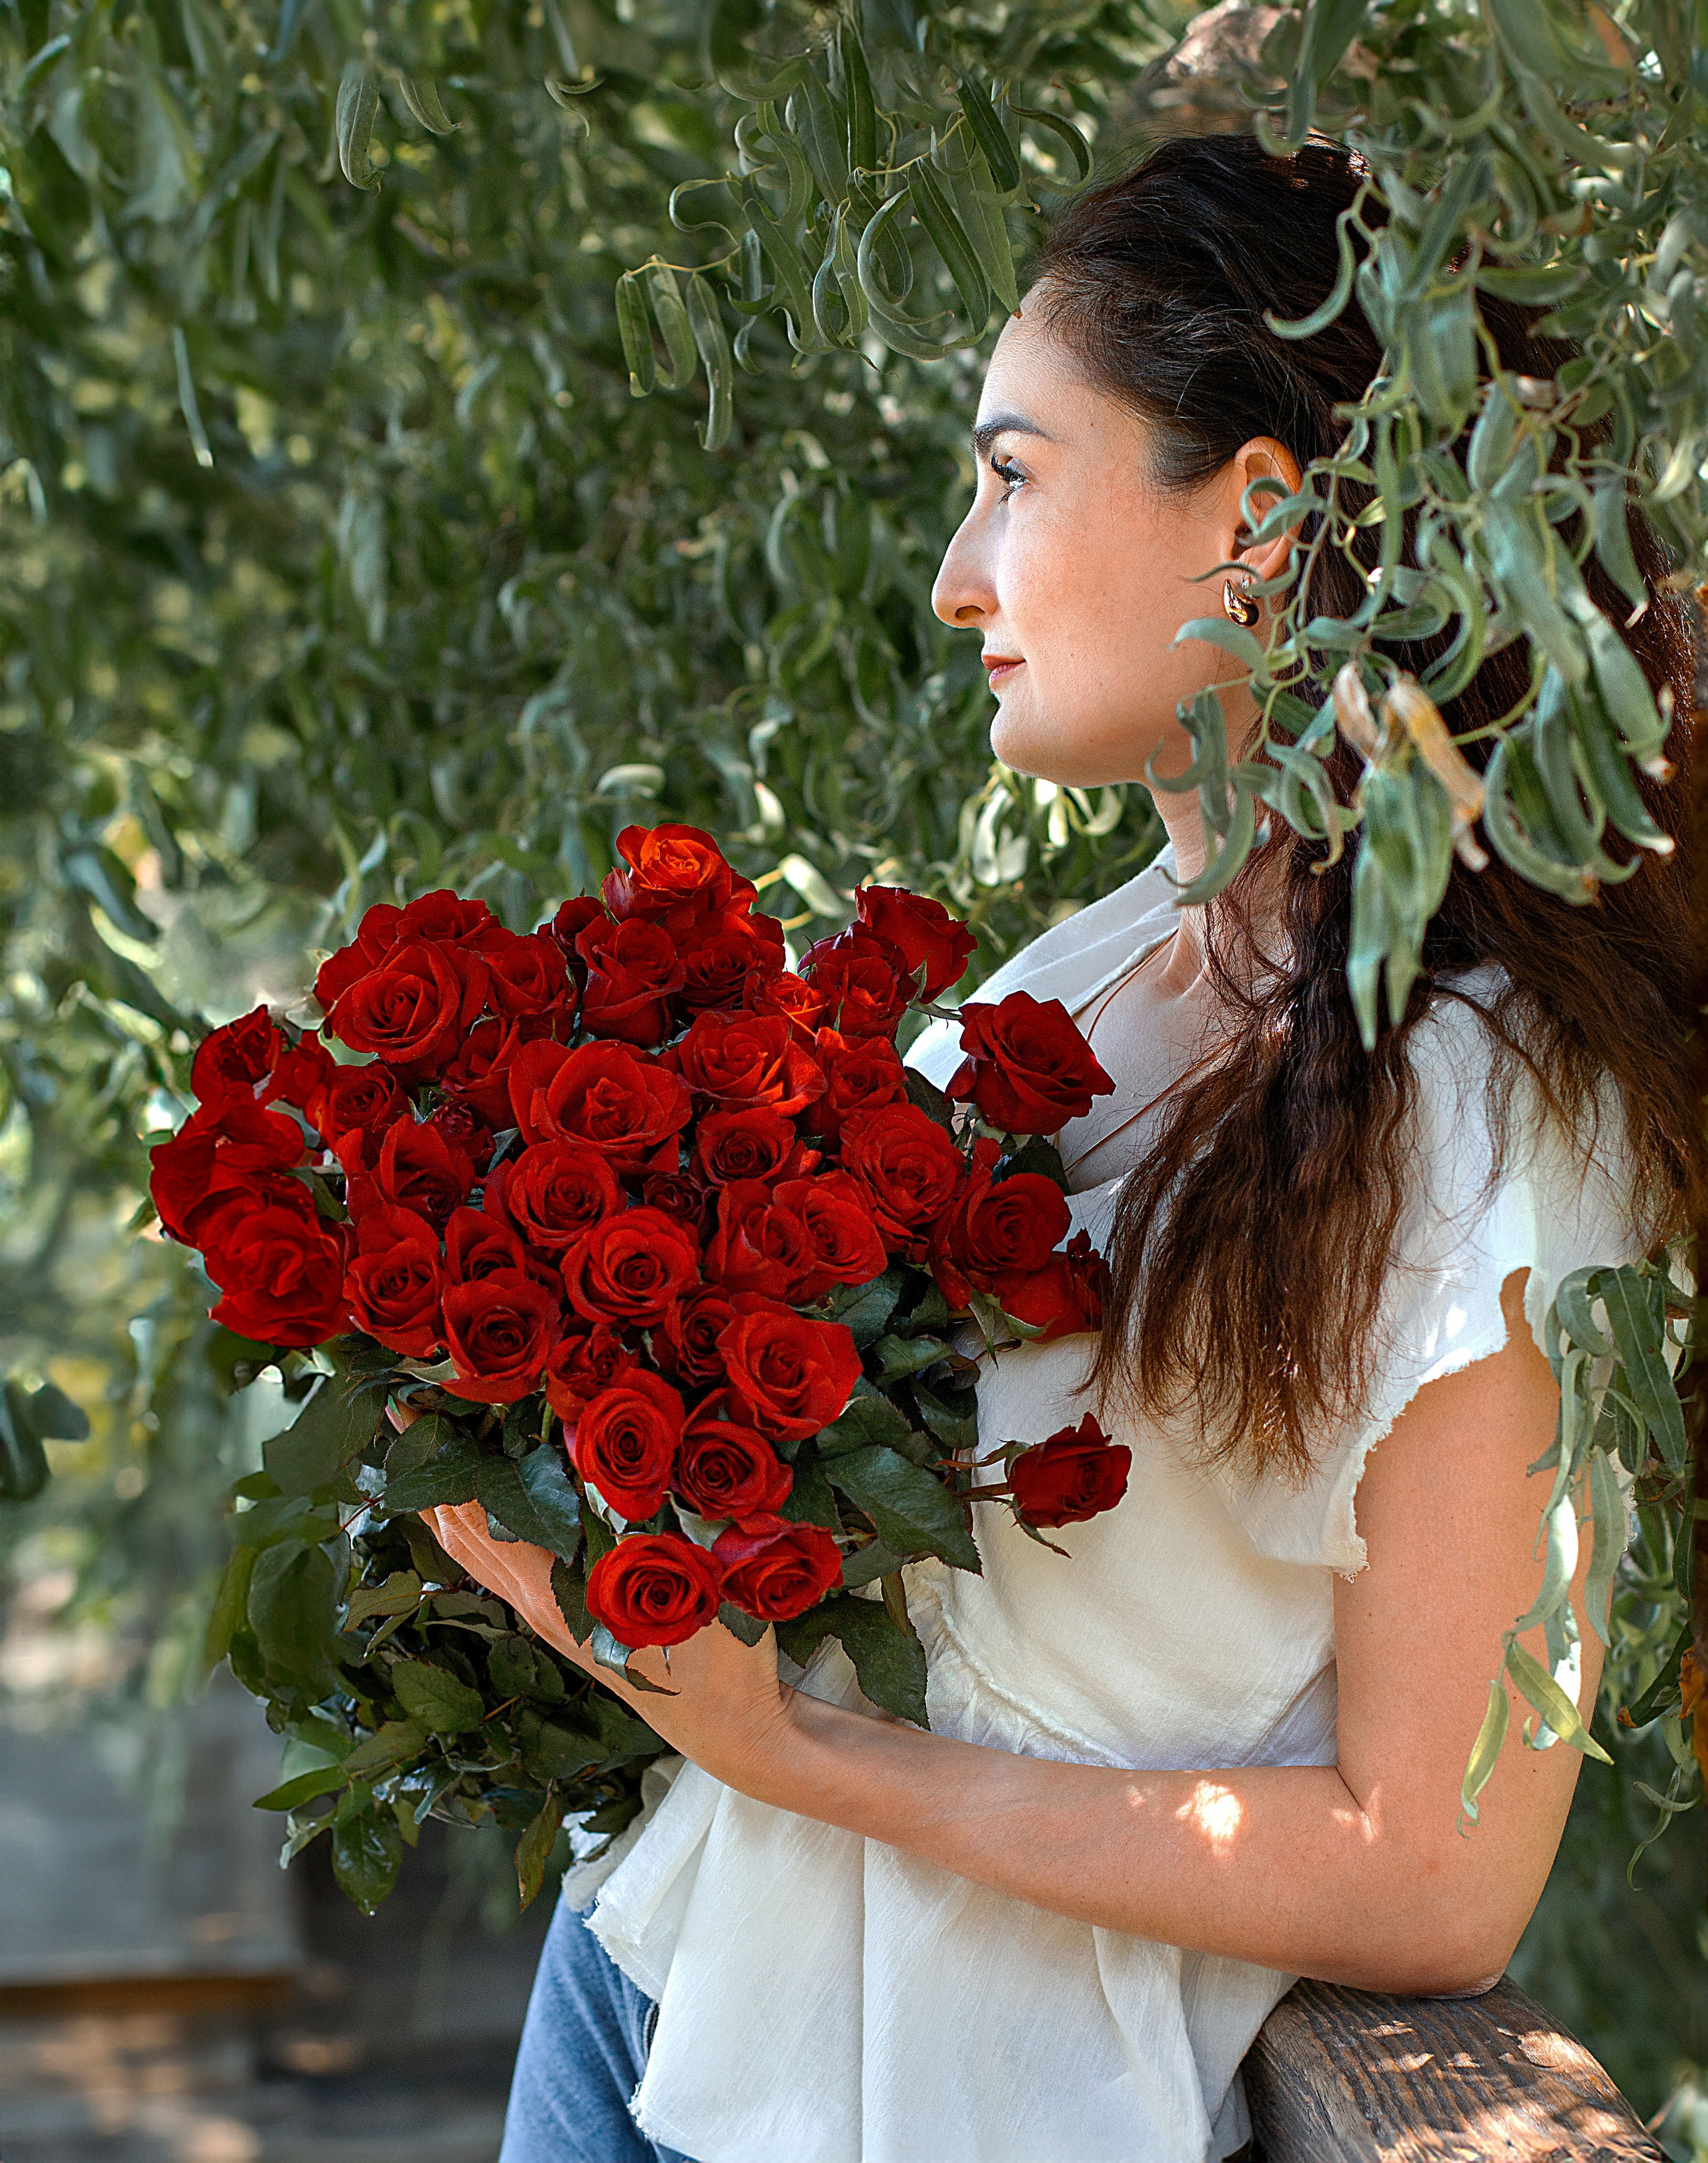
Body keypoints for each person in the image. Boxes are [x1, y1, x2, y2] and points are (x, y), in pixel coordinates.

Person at [427, 136, 1700, 2163]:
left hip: (941, 2101)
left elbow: (1434, 1878)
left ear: (1261, 529)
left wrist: (809, 1757)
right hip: (659, 1978)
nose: (956, 575)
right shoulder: (1109, 960)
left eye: (1016, 474)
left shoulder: (1484, 1102)